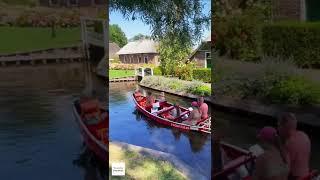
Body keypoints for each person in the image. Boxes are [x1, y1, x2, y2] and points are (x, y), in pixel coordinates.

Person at [277, 112, 311, 180]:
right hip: (306, 175)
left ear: (283, 126)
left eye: (278, 125)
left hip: (294, 177)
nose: (278, 128)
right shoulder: (304, 135)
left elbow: (285, 169)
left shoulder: (289, 143)